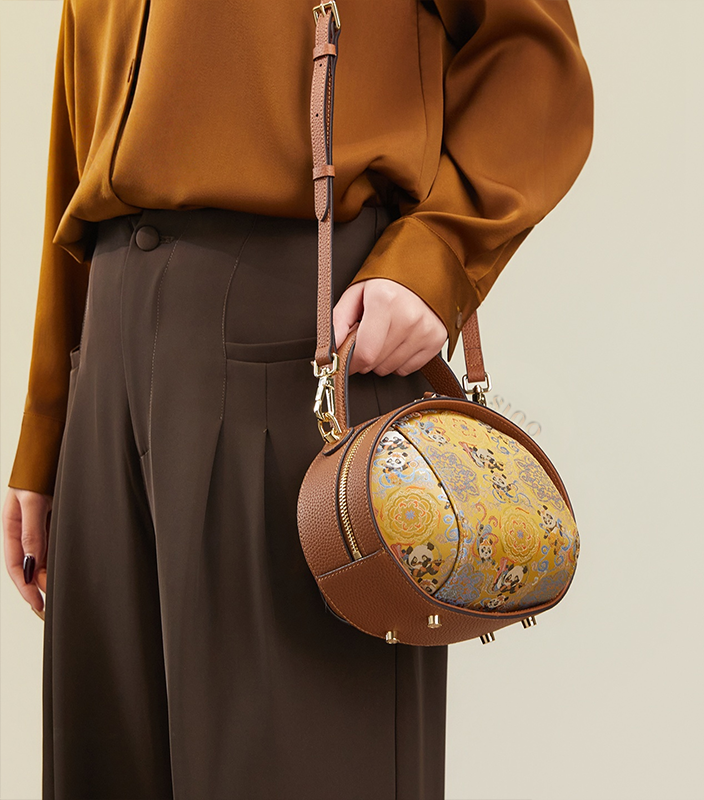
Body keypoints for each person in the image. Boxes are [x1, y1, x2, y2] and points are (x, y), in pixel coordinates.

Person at [2, 1, 594, 798]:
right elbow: (78, 126)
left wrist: (436, 255)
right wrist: (48, 425)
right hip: (108, 342)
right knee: (104, 766)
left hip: (302, 326)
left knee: (300, 770)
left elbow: (534, 58)